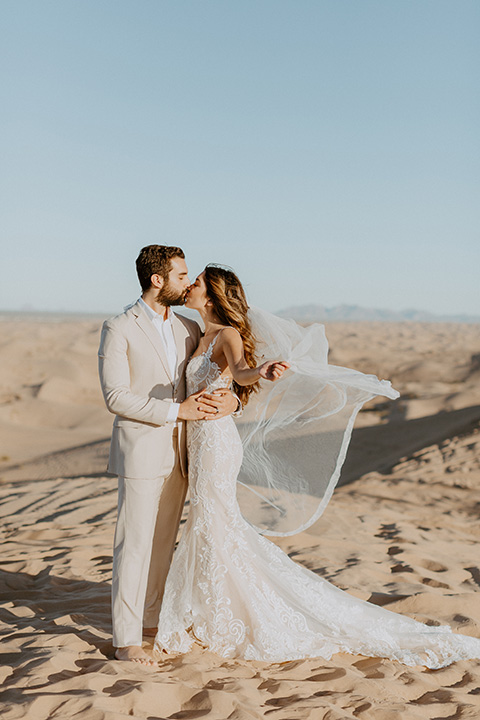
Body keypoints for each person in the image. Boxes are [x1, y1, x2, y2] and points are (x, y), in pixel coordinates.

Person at [154, 264, 480, 668]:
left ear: (213, 293)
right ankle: (212, 605)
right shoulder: (195, 332)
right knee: (209, 522)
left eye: (196, 281)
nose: (189, 286)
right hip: (198, 442)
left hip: (218, 441)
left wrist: (262, 372)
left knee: (214, 520)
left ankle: (226, 612)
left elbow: (239, 372)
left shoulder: (228, 334)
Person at [98, 246, 239, 666]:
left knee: (163, 544)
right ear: (157, 280)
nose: (188, 281)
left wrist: (232, 403)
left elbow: (217, 379)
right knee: (134, 545)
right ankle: (126, 639)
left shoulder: (187, 327)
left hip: (185, 455)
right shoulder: (118, 327)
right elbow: (115, 396)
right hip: (141, 450)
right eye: (181, 275)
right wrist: (178, 411)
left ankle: (150, 623)